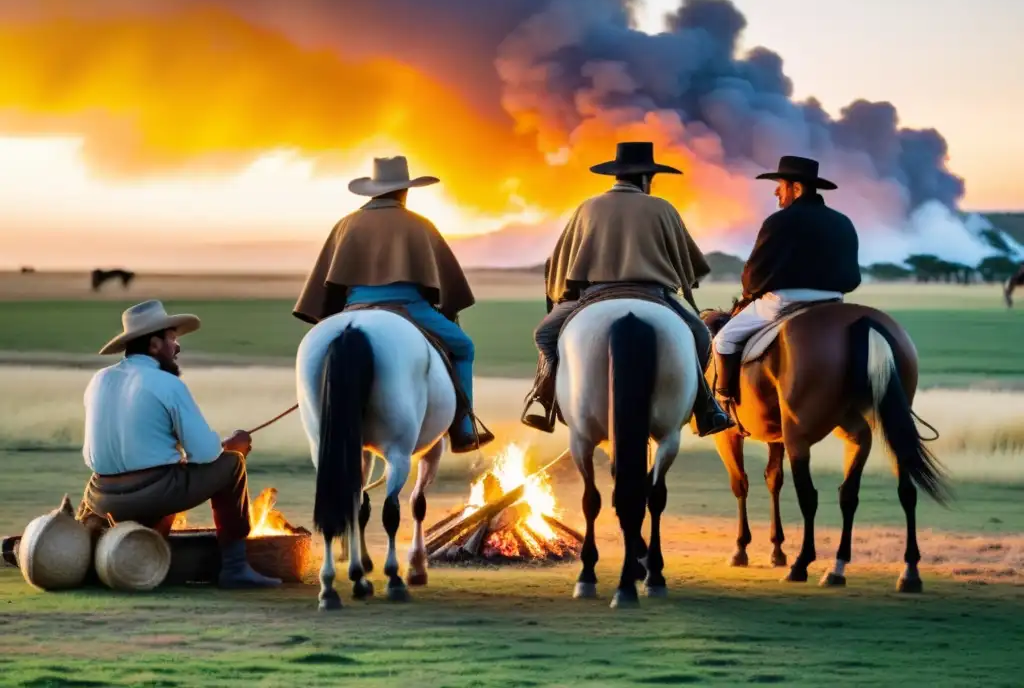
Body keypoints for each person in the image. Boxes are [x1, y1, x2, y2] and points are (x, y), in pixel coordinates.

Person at [520, 141, 732, 437]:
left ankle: (544, 398)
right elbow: (688, 264)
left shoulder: (588, 207)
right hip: (655, 295)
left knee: (544, 336)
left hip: (594, 295)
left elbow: (560, 261)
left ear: (616, 175)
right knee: (698, 334)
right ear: (646, 178)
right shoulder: (662, 208)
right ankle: (707, 406)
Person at [292, 155, 494, 453]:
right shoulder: (419, 224)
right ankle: (464, 427)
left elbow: (329, 284)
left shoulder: (347, 224)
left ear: (372, 190)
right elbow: (443, 283)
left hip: (353, 309)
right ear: (405, 190)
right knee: (464, 347)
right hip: (409, 307)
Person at [76, 299, 281, 589]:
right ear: (154, 345)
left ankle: (136, 552)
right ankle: (235, 568)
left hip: (101, 497)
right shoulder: (167, 384)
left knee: (177, 467)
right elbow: (207, 454)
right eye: (172, 339)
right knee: (232, 465)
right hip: (153, 493)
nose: (177, 347)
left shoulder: (99, 380)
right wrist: (234, 446)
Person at [711, 155, 862, 403]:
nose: (775, 192)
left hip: (784, 302)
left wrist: (749, 296)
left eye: (781, 185)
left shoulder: (778, 221)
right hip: (834, 302)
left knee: (723, 339)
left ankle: (723, 400)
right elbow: (852, 276)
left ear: (797, 188)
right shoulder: (842, 222)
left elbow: (755, 271)